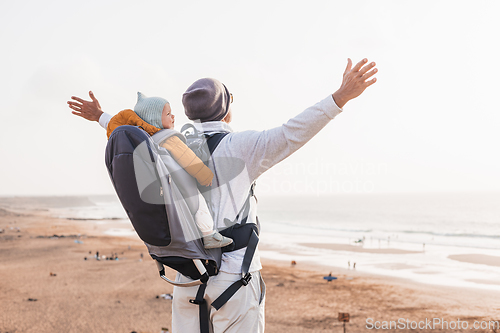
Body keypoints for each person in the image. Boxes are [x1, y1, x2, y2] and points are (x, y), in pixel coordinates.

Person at [68, 57, 377, 332]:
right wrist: (340, 97)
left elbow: (136, 129)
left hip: (186, 278)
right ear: (226, 109)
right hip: (235, 278)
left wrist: (101, 117)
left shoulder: (163, 143)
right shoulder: (243, 147)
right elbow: (292, 132)